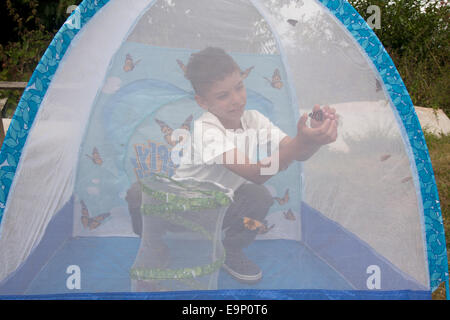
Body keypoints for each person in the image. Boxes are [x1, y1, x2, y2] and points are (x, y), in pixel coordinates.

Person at [127, 47, 338, 287]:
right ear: (203, 102)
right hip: (183, 207)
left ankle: (232, 250)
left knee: (260, 198)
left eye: (239, 87)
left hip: (221, 207)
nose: (236, 99)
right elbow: (255, 173)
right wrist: (301, 142)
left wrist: (313, 138)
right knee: (138, 194)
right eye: (223, 95)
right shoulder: (206, 128)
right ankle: (155, 247)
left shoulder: (255, 120)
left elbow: (295, 151)